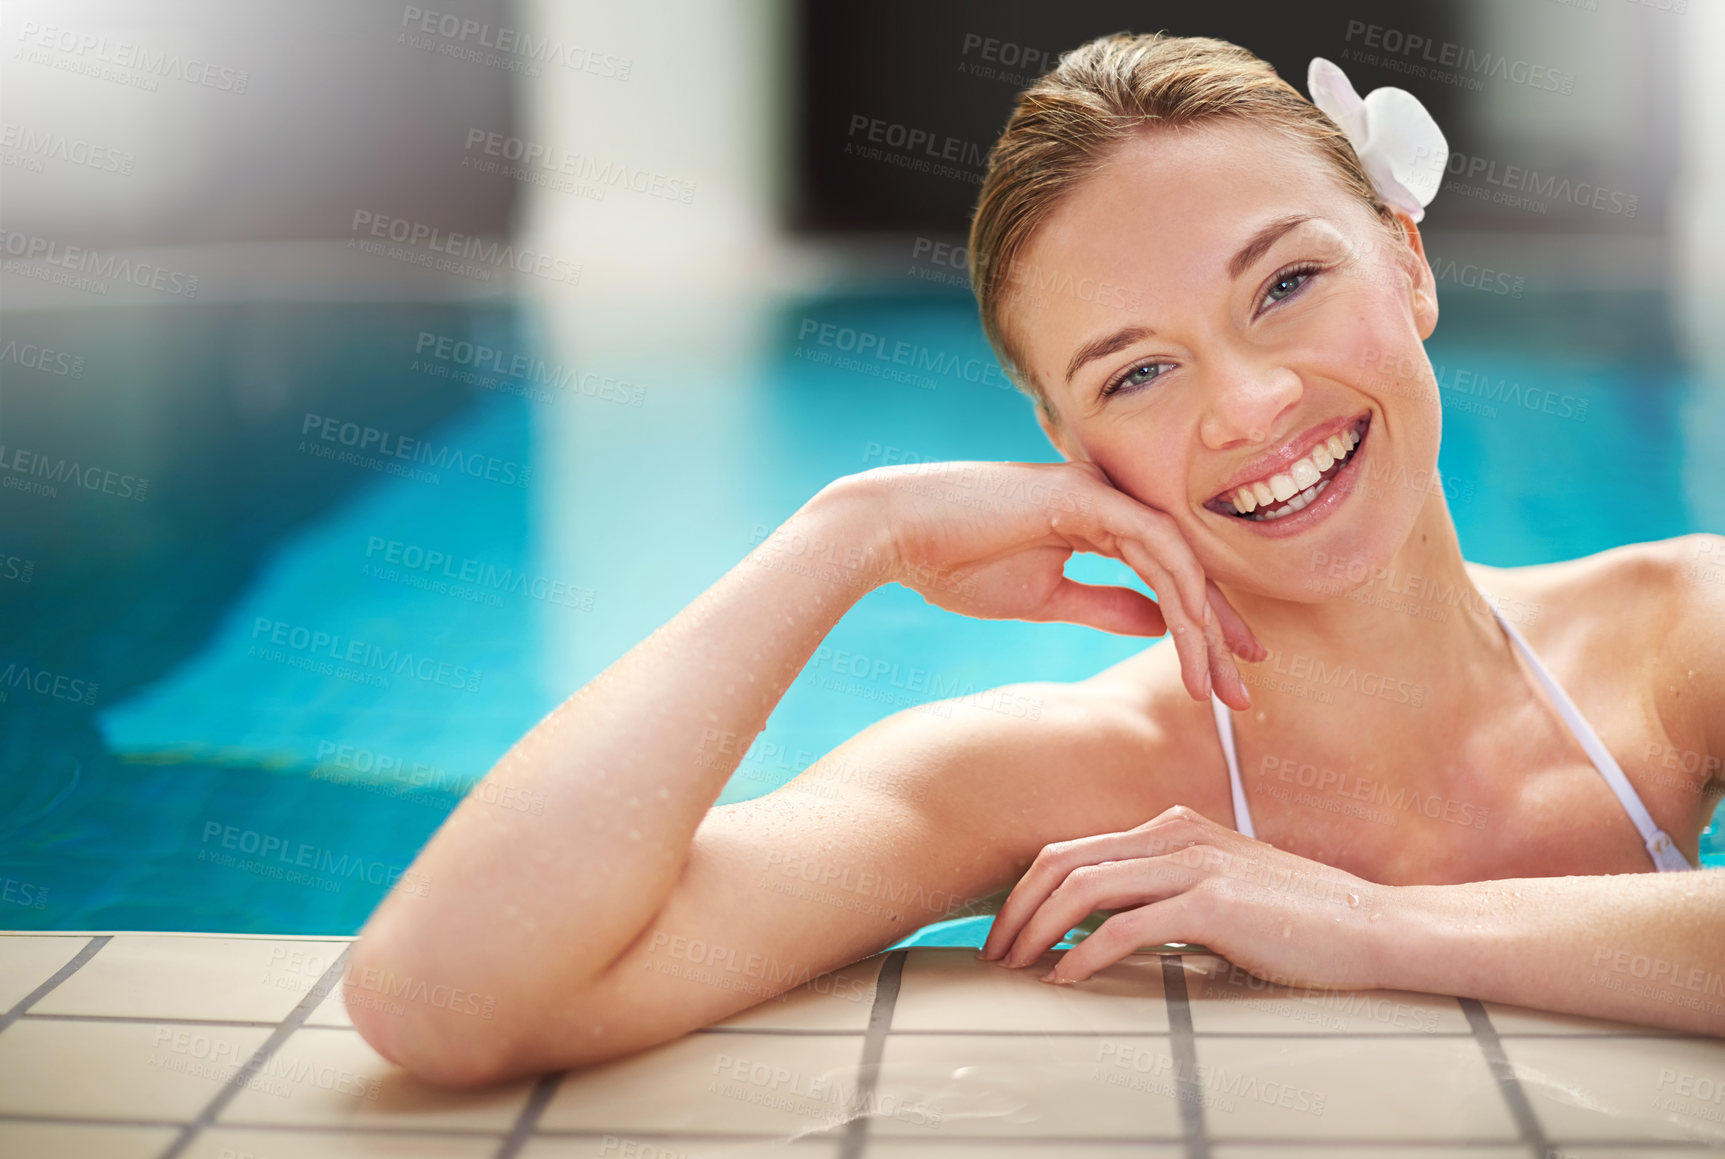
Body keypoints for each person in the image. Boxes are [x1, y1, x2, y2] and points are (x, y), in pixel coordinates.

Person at [342, 33, 1725, 1086]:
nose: (1246, 409)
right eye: (1135, 374)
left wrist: (1371, 931)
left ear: (1407, 264)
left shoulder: (1679, 636)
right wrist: (841, 542)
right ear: (1067, 448)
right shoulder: (1057, 785)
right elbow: (442, 998)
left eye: (1287, 284)